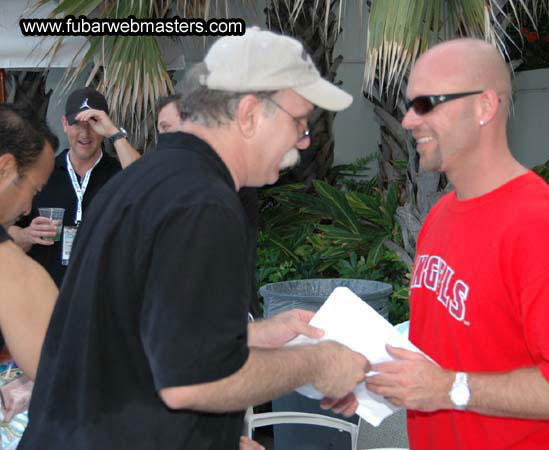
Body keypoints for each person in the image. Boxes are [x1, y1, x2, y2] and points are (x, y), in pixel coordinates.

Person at [18, 27, 369, 450]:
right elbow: (195, 379)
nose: (304, 141)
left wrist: (255, 336)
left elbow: (147, 343)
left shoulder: (147, 181)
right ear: (250, 114)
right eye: (299, 122)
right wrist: (318, 362)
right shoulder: (204, 204)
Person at [365, 38, 549, 449]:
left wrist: (452, 388)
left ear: (485, 106)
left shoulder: (542, 227)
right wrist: (370, 380)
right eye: (409, 106)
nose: (410, 121)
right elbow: (450, 353)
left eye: (427, 103)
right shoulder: (438, 217)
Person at [8, 87, 141, 286]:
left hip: (102, 298)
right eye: (77, 124)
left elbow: (145, 181)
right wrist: (27, 235)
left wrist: (114, 133)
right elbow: (6, 233)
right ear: (64, 124)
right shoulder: (43, 173)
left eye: (93, 124)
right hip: (50, 296)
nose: (85, 133)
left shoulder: (119, 172)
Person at [156, 93, 262, 317]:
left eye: (168, 128)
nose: (163, 139)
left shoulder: (227, 178)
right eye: (160, 131)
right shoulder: (173, 177)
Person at [0, 103, 58, 381]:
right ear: (5, 168)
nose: (28, 207)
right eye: (34, 189)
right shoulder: (11, 267)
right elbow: (56, 367)